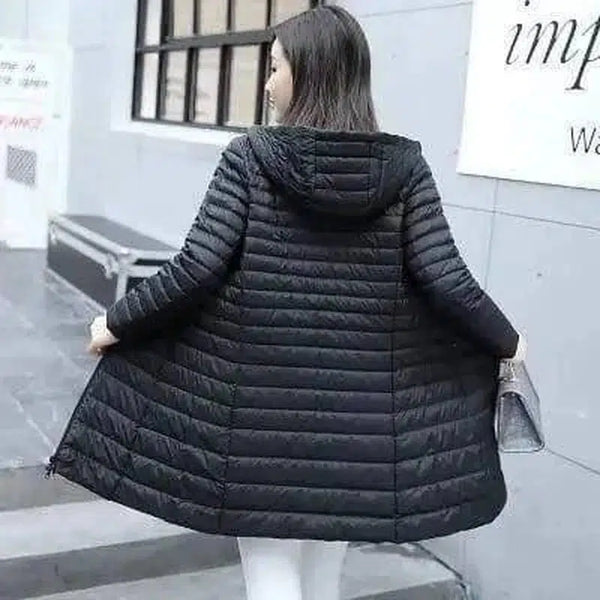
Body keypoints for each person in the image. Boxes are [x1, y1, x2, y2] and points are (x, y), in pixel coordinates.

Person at [53, 5, 526, 600]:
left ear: (312, 72)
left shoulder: (250, 158)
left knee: (271, 575)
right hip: (359, 423)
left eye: (275, 67)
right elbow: (445, 279)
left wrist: (116, 323)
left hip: (259, 414)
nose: (268, 83)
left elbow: (197, 266)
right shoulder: (405, 168)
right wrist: (509, 341)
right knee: (323, 578)